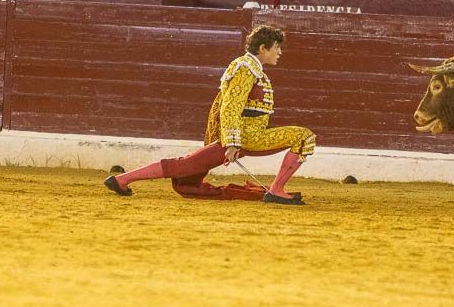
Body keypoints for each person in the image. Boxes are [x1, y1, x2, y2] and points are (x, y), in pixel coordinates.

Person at [105, 24, 315, 205]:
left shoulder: (252, 68)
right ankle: (276, 190)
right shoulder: (246, 68)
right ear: (263, 48)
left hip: (244, 135)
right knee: (304, 136)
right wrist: (232, 143)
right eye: (277, 48)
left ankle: (122, 180)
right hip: (246, 137)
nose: (280, 53)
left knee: (183, 165)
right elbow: (230, 106)